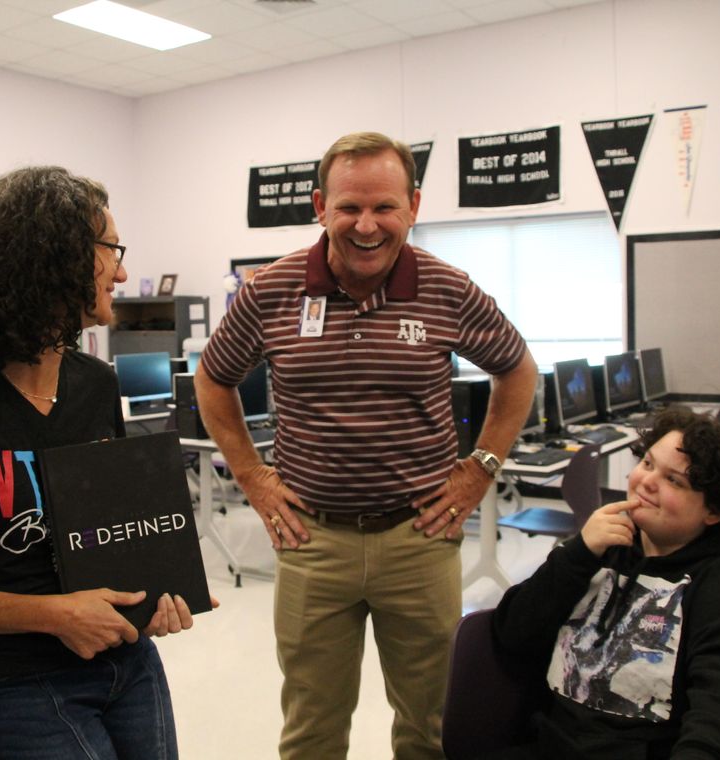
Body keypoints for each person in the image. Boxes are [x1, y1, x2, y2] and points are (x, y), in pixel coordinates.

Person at [196, 132, 538, 759]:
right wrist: (251, 476)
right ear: (320, 205)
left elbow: (518, 371)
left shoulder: (446, 287)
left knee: (431, 725)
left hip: (420, 540)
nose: (367, 225)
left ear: (412, 204)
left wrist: (478, 471)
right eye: (350, 207)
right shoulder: (270, 291)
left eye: (384, 207)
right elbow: (213, 379)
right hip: (311, 541)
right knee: (312, 729)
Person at [0, 166, 211, 760]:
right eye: (111, 250)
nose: (123, 272)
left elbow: (110, 534)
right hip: (4, 685)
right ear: (51, 258)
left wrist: (155, 592)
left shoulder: (97, 386)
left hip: (126, 663)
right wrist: (52, 615)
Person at [488, 407, 720, 759]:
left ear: (715, 510)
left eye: (674, 480)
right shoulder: (602, 549)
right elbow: (513, 634)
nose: (646, 481)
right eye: (647, 463)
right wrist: (577, 555)